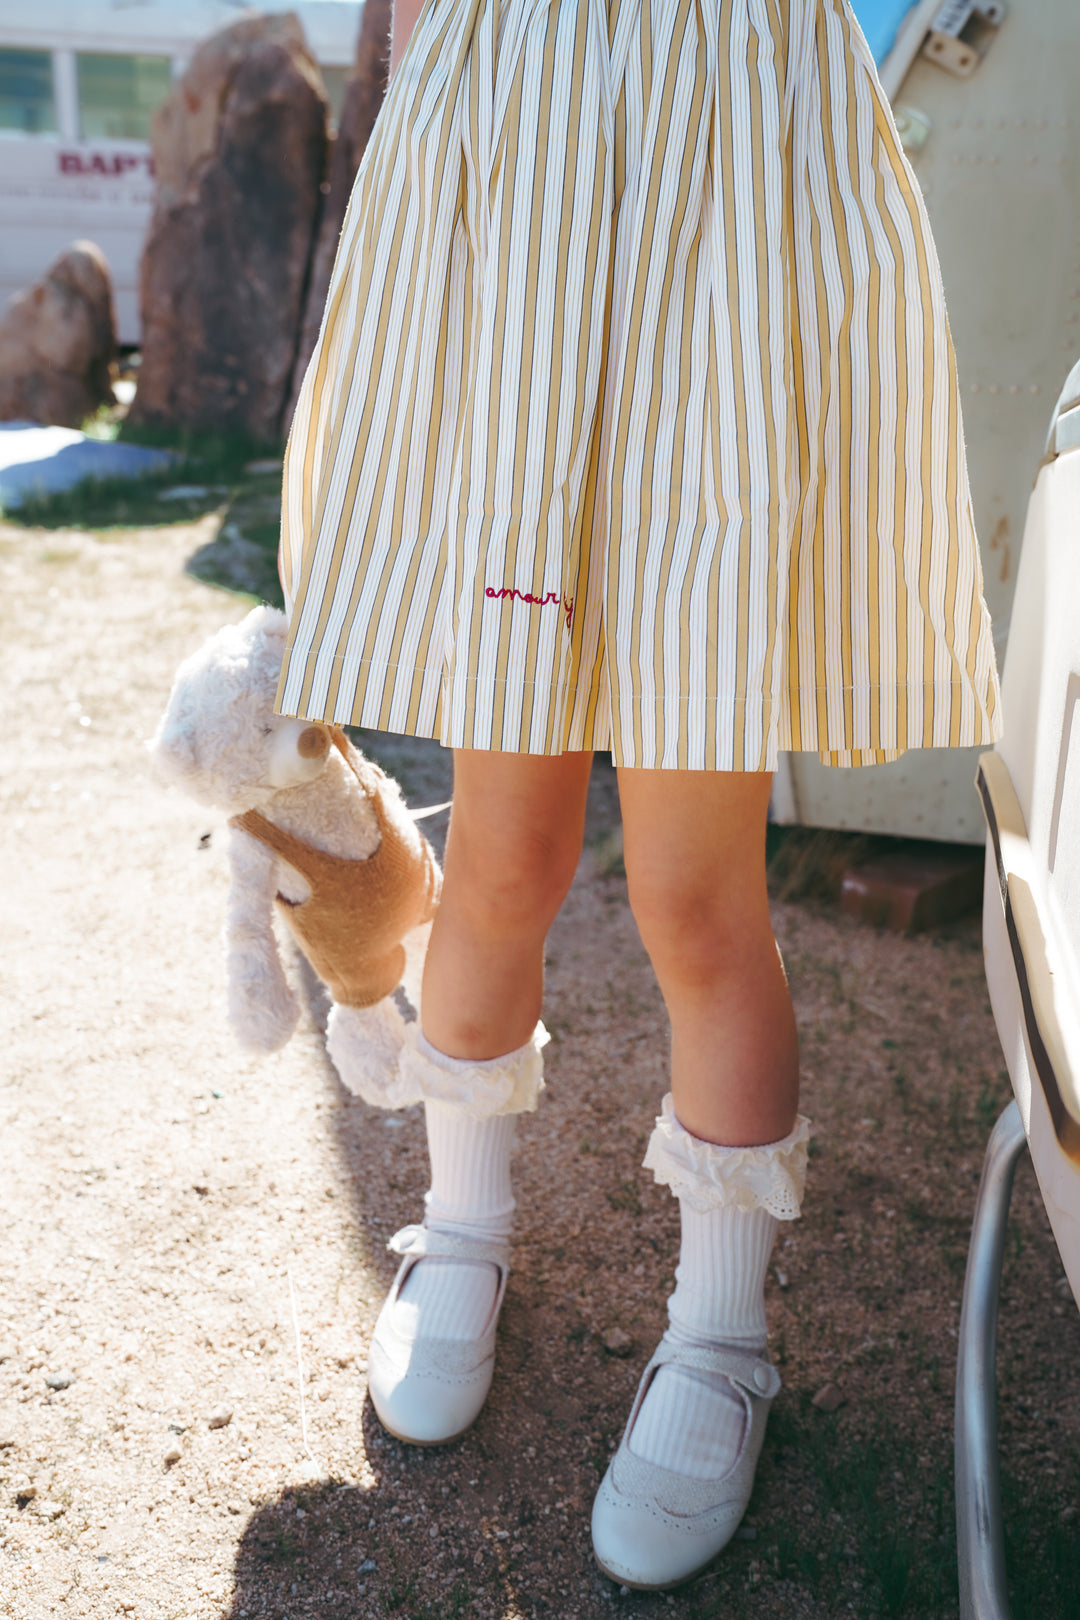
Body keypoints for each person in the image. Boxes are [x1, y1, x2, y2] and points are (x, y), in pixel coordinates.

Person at [275, 0, 1000, 1590]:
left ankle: (720, 1337)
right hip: (517, 142)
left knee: (692, 888)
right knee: (508, 854)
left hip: (730, 160)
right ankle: (459, 1235)